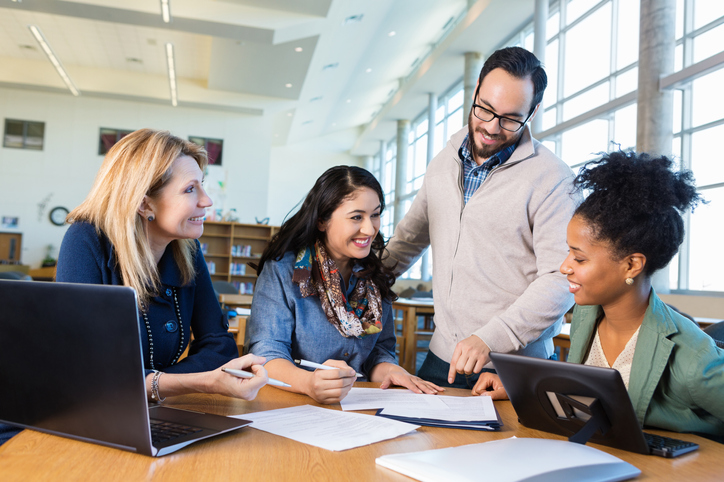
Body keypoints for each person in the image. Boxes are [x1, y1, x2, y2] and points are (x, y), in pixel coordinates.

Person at [478, 151, 724, 438]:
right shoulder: (588, 313)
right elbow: (594, 394)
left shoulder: (694, 361)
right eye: (568, 252)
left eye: (579, 259)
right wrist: (525, 389)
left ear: (631, 265)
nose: (564, 266)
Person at [385, 46, 577, 392]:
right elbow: (409, 238)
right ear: (475, 89)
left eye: (509, 118)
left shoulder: (553, 179)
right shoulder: (444, 161)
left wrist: (491, 338)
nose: (490, 127)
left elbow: (561, 279)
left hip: (513, 367)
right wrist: (350, 278)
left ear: (531, 113)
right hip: (442, 359)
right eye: (485, 109)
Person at [56, 128, 268, 403]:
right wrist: (193, 381)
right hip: (64, 411)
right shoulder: (85, 240)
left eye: (202, 185)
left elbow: (220, 347)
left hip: (136, 411)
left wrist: (156, 384)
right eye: (191, 189)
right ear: (145, 204)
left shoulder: (186, 249)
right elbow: (89, 371)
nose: (207, 200)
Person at [246, 166, 443, 404]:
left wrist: (392, 371)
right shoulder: (283, 270)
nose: (370, 229)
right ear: (322, 220)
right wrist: (308, 383)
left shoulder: (375, 275)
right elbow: (266, 353)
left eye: (375, 214)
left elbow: (379, 353)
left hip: (359, 406)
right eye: (356, 217)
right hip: (294, 403)